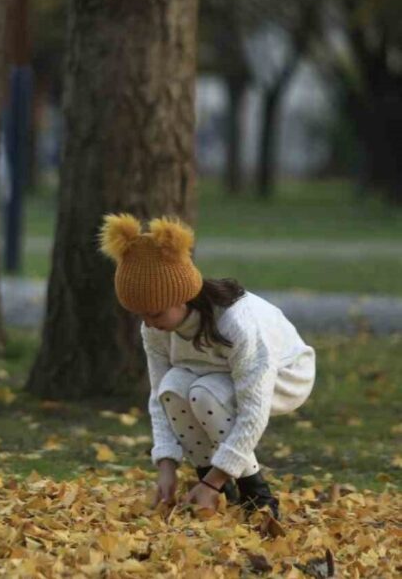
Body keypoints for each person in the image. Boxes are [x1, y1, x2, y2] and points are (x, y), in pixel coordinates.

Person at [99, 213, 315, 518]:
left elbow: (254, 409)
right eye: (140, 315)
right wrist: (166, 466)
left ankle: (257, 497)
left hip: (284, 375)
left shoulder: (237, 324)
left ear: (180, 297)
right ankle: (213, 495)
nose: (148, 323)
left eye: (155, 313)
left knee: (203, 393)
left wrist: (215, 480)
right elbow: (159, 396)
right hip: (213, 375)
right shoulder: (155, 328)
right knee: (173, 387)